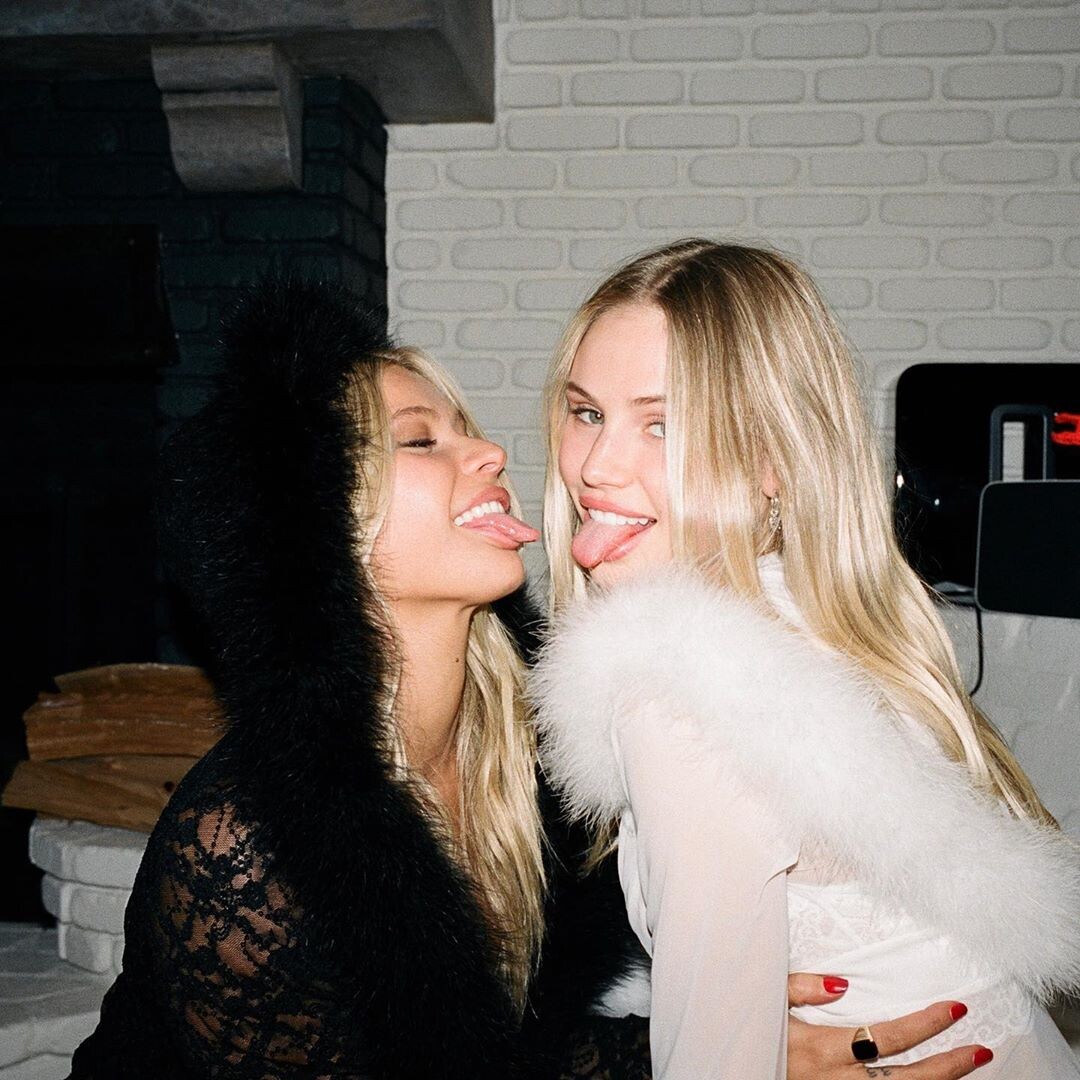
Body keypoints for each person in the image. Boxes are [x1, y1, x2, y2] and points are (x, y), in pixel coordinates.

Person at [67, 279, 643, 1078]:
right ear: (320, 530)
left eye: (466, 429)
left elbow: (520, 1054)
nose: (490, 453)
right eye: (421, 441)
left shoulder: (537, 750)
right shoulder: (247, 855)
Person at [533, 239, 1080, 1079]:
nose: (597, 468)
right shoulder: (803, 624)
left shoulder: (679, 685)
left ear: (773, 462)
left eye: (662, 424)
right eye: (587, 413)